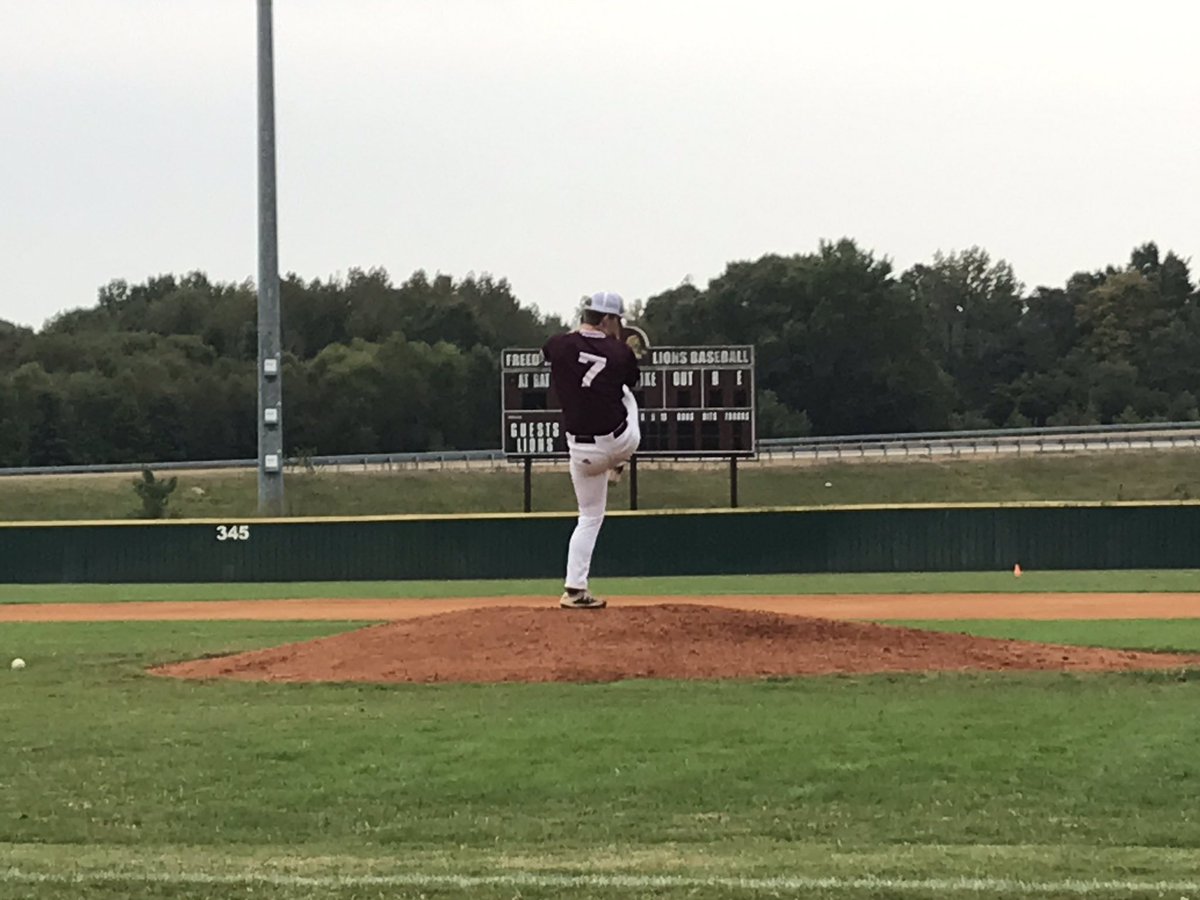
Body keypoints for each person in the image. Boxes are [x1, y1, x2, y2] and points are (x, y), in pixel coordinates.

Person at [542, 292, 642, 609]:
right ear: (607, 319)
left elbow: (549, 351)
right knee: (628, 398)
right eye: (617, 319)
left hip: (581, 452)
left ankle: (574, 590)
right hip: (618, 442)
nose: (619, 325)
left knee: (588, 517)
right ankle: (620, 463)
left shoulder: (559, 344)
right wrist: (619, 346)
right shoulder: (620, 351)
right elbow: (631, 380)